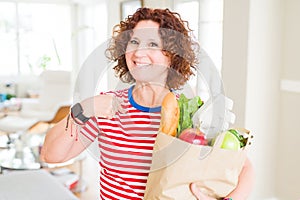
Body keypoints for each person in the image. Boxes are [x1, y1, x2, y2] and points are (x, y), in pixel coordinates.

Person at [40, 7, 254, 200]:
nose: (139, 53)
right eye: (134, 42)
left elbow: (244, 167)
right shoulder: (106, 106)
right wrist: (84, 108)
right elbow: (51, 155)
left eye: (152, 44)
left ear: (171, 56)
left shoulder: (190, 113)